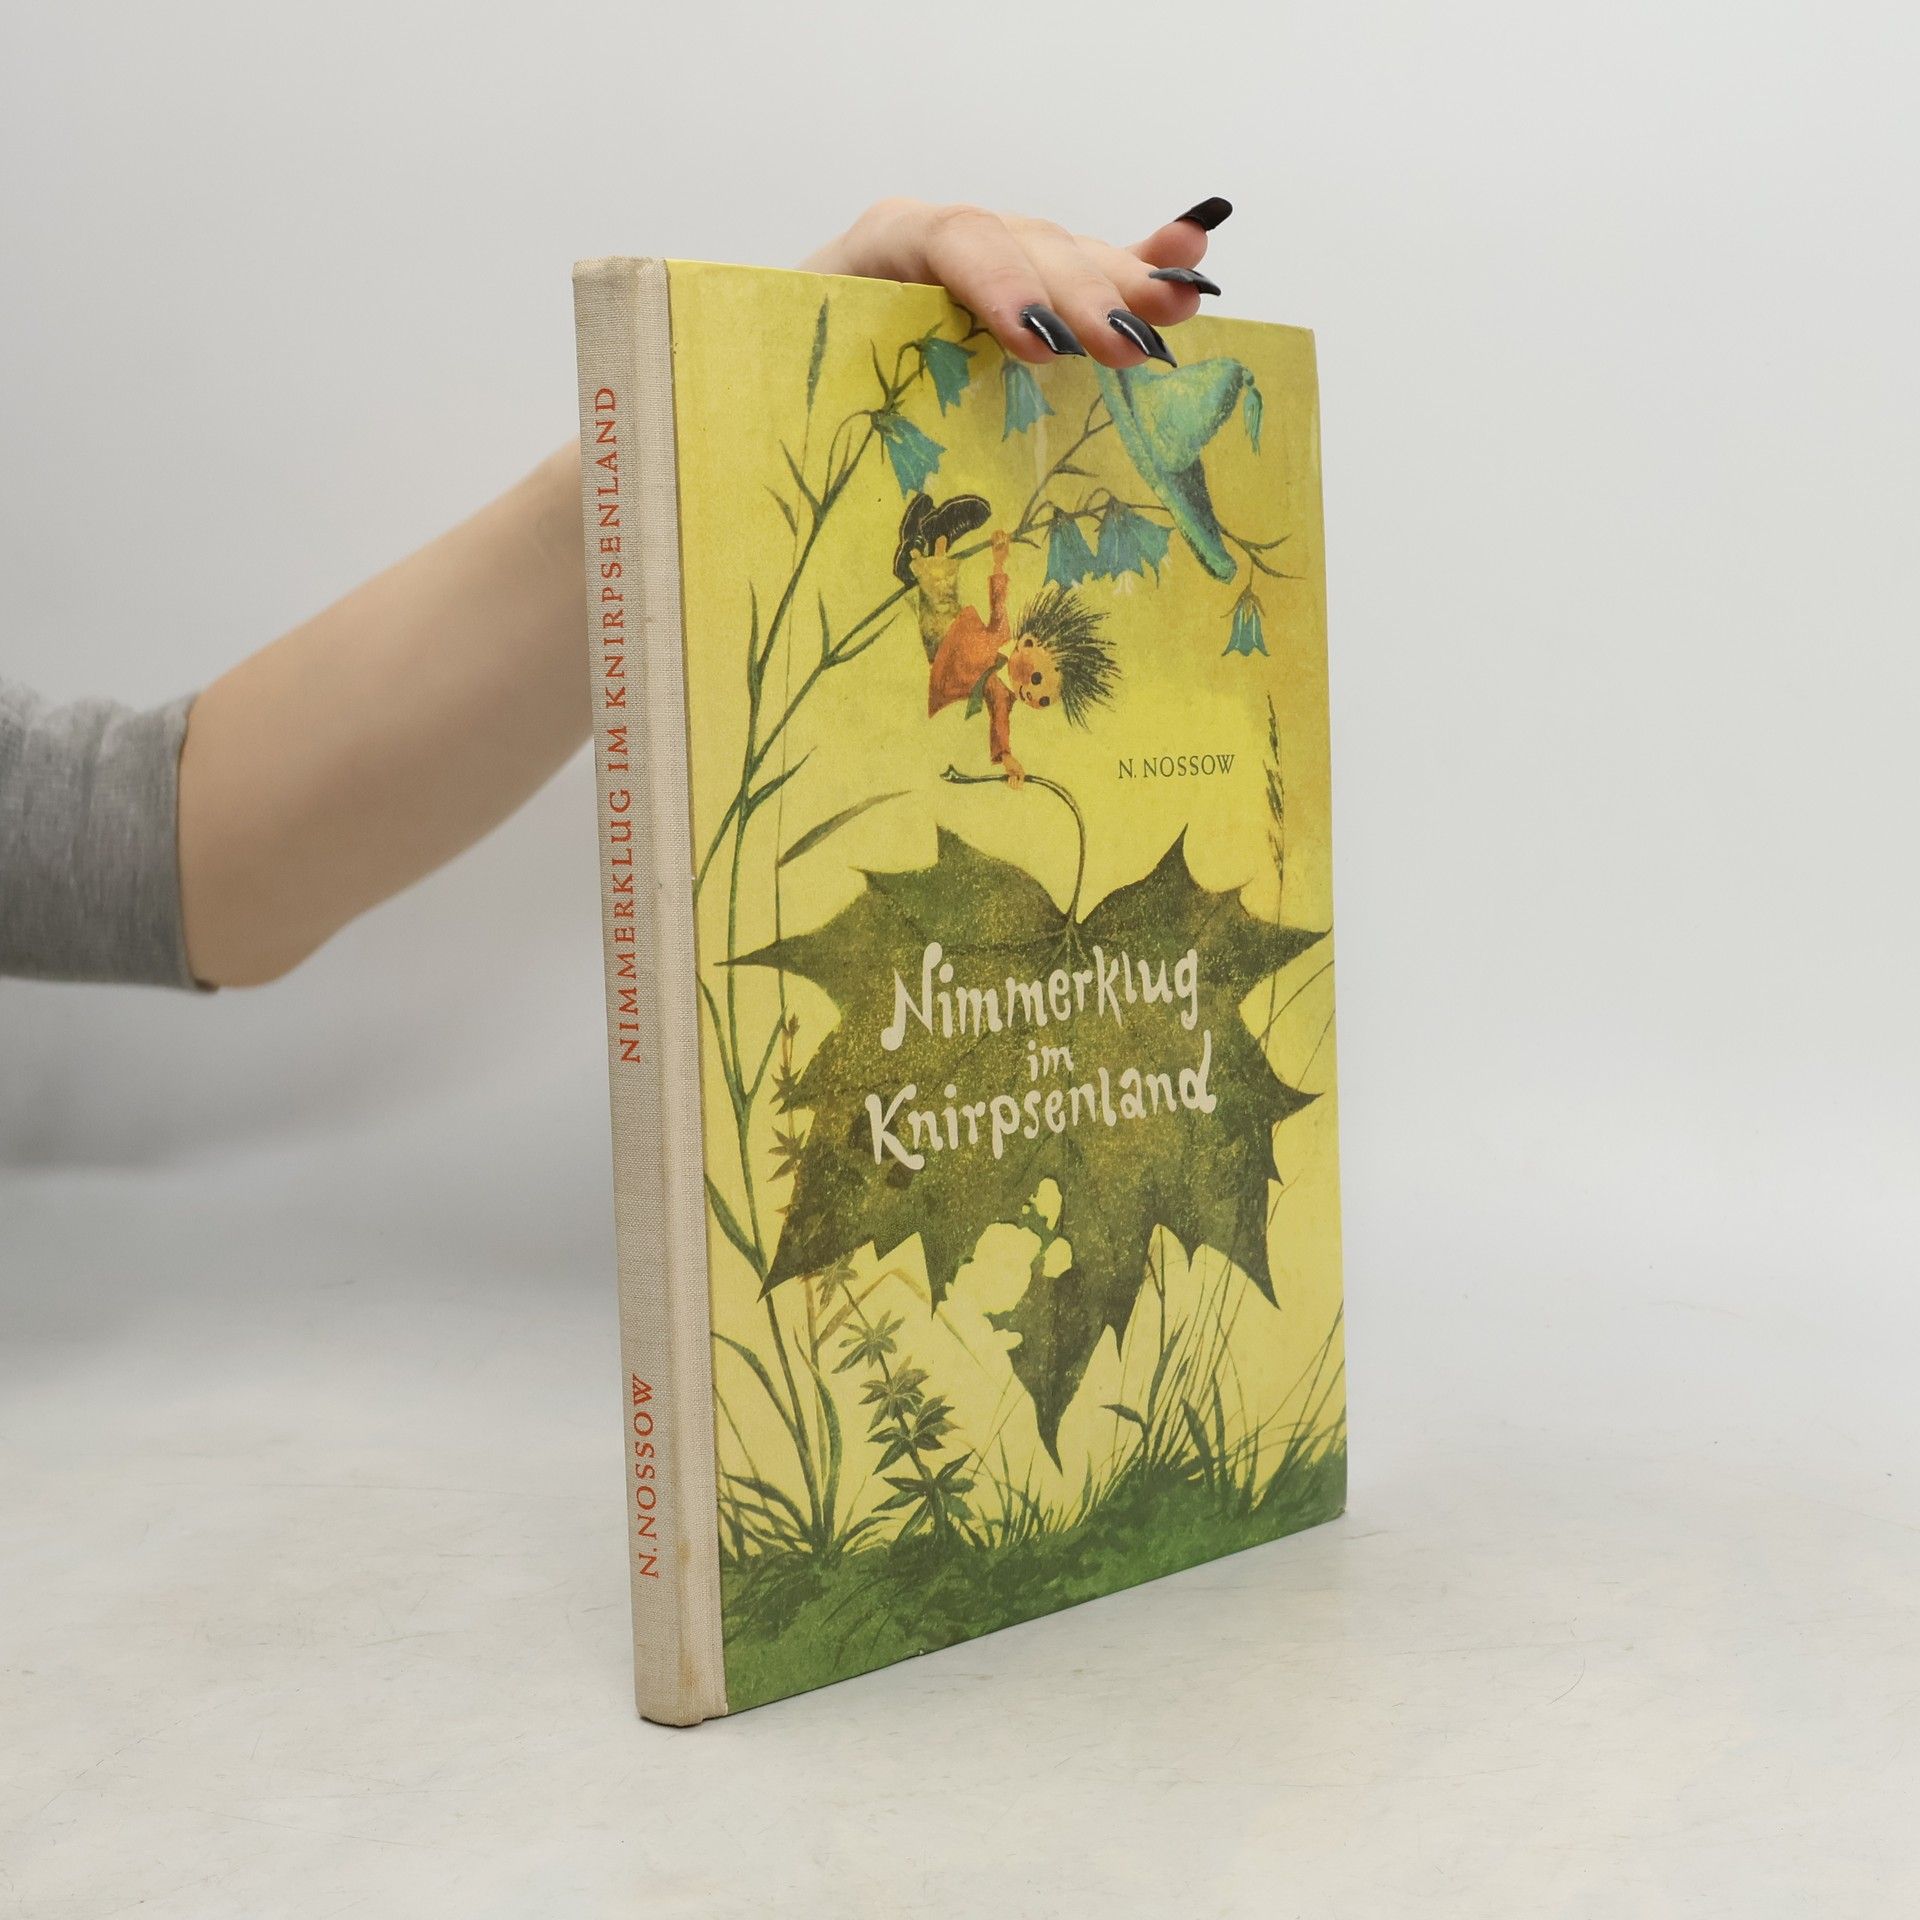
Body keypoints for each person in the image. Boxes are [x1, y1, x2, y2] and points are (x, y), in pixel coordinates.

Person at [0, 196, 1231, 990]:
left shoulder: (999, 662)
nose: (1030, 682)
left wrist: (709, 405)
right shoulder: (986, 654)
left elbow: (159, 851)